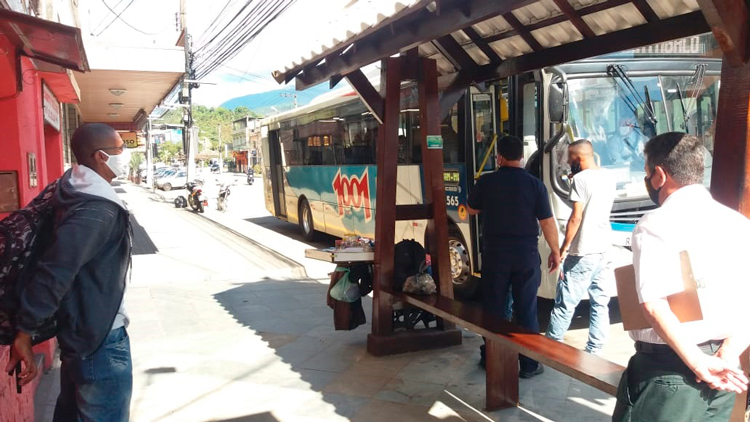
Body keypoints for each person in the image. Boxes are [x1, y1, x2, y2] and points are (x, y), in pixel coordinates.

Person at [612, 132, 750, 421]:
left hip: (668, 371)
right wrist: (727, 352)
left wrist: (699, 363)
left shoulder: (656, 224)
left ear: (659, 175)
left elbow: (653, 304)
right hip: (725, 368)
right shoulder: (738, 223)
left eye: (648, 173)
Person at [5, 123, 134, 422]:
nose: (125, 154)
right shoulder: (96, 210)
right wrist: (25, 332)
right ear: (101, 157)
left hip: (80, 330)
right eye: (120, 149)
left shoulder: (72, 185)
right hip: (99, 340)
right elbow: (55, 271)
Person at [468, 135, 561, 378]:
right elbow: (547, 222)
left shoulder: (487, 182)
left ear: (498, 157)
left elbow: (472, 208)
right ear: (521, 157)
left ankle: (493, 360)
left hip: (495, 255)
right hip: (526, 255)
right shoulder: (535, 185)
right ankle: (529, 365)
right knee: (526, 309)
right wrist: (555, 251)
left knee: (495, 309)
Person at [546, 139, 616, 354]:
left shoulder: (581, 180)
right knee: (600, 304)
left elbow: (576, 218)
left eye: (569, 157)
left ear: (579, 158)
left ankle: (549, 348)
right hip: (604, 248)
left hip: (583, 252)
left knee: (565, 304)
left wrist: (563, 248)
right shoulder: (608, 175)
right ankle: (594, 350)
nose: (567, 162)